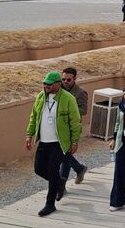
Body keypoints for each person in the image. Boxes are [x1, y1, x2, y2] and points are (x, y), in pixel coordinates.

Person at [24, 72, 82, 217]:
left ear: (58, 84)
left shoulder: (68, 99)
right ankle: (60, 183)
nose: (46, 86)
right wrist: (29, 134)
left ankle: (50, 204)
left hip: (59, 143)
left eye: (49, 84)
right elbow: (34, 116)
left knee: (52, 170)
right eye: (44, 83)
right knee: (38, 169)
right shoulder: (40, 97)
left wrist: (75, 141)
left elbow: (75, 122)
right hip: (43, 142)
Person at [58, 67, 88, 199]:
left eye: (68, 80)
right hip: (59, 128)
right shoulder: (58, 90)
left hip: (72, 128)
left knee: (65, 155)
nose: (65, 82)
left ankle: (61, 185)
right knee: (64, 154)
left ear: (74, 79)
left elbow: (84, 110)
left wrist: (69, 110)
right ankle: (79, 168)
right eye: (63, 79)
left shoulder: (81, 93)